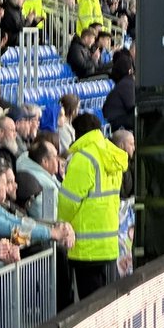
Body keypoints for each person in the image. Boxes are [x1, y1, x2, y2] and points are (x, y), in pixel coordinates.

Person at [58, 112, 127, 301]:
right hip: (109, 244)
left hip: (86, 248)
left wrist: (62, 225)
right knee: (107, 303)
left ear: (78, 133)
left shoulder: (84, 158)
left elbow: (68, 201)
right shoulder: (112, 154)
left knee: (90, 307)